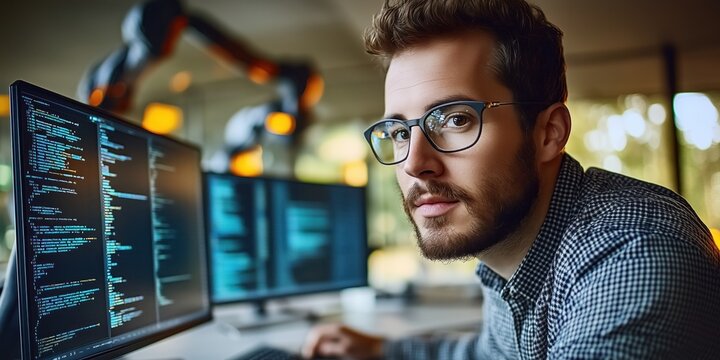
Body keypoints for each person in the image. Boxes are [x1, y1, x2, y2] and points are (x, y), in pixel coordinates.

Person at [301, 0, 720, 359]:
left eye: (455, 120)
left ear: (548, 133)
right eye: (398, 132)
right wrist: (382, 351)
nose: (414, 163)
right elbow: (486, 354)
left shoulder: (633, 253)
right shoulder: (513, 250)